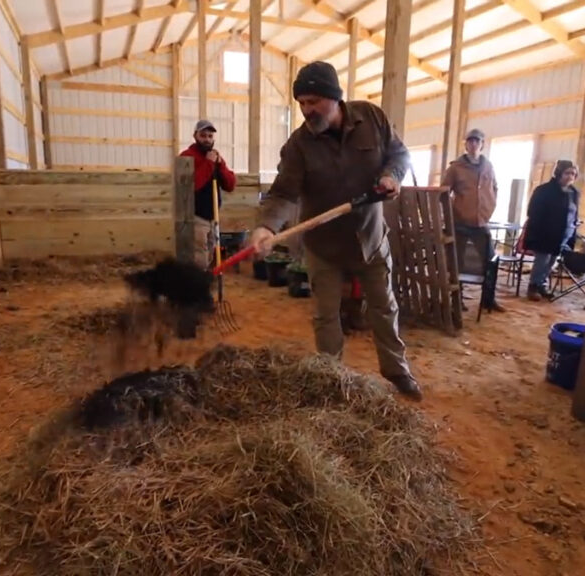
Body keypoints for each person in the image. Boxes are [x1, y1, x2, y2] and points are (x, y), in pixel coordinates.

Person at [246, 61, 422, 401]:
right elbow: (283, 193)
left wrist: (392, 175)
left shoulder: (371, 118)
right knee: (326, 316)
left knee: (384, 308)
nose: (308, 110)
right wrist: (267, 227)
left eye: (315, 101)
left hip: (369, 238)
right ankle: (331, 379)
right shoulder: (298, 146)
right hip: (323, 245)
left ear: (335, 98)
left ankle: (397, 371)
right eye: (302, 103)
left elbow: (399, 153)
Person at [441, 128, 506, 312]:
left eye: (477, 141)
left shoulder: (488, 166)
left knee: (490, 260)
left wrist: (488, 210)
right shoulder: (455, 168)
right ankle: (456, 300)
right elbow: (443, 193)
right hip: (459, 223)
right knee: (456, 262)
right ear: (466, 144)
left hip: (481, 223)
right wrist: (450, 216)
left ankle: (488, 299)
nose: (473, 144)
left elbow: (494, 188)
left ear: (482, 145)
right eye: (470, 141)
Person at [179, 119, 237, 269]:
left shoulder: (215, 157)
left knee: (211, 255)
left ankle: (201, 285)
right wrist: (209, 164)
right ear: (195, 136)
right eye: (203, 135)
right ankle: (196, 287)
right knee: (199, 258)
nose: (207, 139)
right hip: (195, 217)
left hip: (213, 218)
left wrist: (219, 165)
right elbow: (192, 186)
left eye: (210, 136)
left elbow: (230, 185)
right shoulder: (187, 157)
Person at [523, 160, 581, 301]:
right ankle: (533, 287)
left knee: (552, 262)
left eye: (573, 174)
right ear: (558, 173)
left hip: (564, 233)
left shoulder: (574, 192)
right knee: (542, 260)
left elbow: (573, 212)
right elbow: (533, 212)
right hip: (545, 233)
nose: (570, 176)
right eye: (567, 173)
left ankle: (542, 285)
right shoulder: (544, 190)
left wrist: (575, 223)